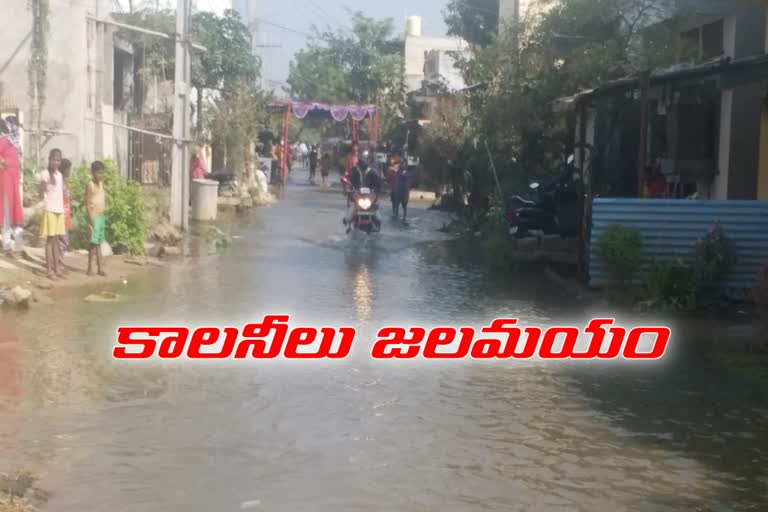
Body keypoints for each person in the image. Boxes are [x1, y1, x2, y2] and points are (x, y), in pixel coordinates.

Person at [38, 149, 66, 279]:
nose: (56, 162)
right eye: (54, 159)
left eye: (58, 160)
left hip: (59, 210)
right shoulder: (45, 174)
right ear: (49, 160)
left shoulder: (60, 175)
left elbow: (61, 193)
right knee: (49, 241)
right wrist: (43, 188)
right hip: (50, 210)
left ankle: (57, 269)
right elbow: (41, 191)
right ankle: (49, 271)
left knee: (55, 241)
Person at [0, 119, 24, 258]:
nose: (16, 128)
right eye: (14, 125)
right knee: (8, 216)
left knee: (16, 216)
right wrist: (3, 162)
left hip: (14, 183)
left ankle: (19, 246)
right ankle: (7, 246)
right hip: (6, 183)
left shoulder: (14, 143)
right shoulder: (4, 141)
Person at [87, 161, 107, 277]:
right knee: (93, 244)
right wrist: (91, 219)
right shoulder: (90, 185)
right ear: (93, 173)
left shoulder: (101, 183)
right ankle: (90, 268)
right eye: (99, 173)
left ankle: (100, 268)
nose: (101, 175)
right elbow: (88, 203)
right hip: (94, 217)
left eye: (102, 173)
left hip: (100, 216)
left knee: (99, 242)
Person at [59, 159, 72, 258]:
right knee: (62, 239)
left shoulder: (65, 181)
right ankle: (58, 261)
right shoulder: (59, 181)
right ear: (63, 169)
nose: (69, 171)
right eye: (68, 169)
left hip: (66, 214)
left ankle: (59, 260)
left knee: (64, 239)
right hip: (61, 214)